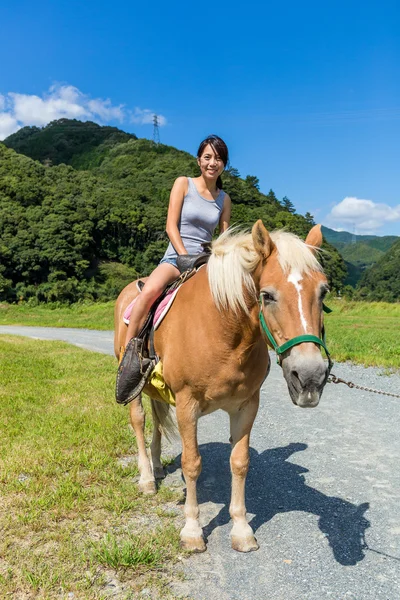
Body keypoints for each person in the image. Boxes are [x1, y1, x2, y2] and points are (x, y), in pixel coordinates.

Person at [116, 135, 231, 402]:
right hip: (175, 259)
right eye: (208, 157)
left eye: (219, 158)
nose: (213, 163)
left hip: (206, 262)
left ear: (224, 164)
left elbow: (224, 240)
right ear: (199, 160)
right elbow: (171, 226)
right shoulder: (183, 184)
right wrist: (182, 256)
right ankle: (129, 357)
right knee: (150, 292)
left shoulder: (224, 200)